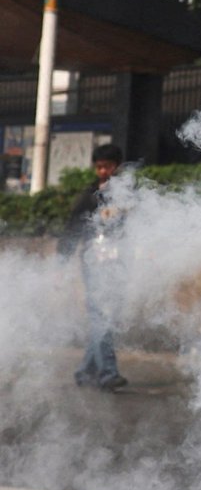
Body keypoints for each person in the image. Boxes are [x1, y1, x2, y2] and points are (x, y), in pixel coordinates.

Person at [59, 142, 129, 391]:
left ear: (117, 166)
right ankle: (108, 373)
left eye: (107, 166)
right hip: (93, 262)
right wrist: (62, 257)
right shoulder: (89, 196)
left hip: (117, 262)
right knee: (101, 315)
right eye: (99, 167)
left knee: (107, 316)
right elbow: (73, 227)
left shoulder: (126, 192)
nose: (102, 172)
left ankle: (85, 371)